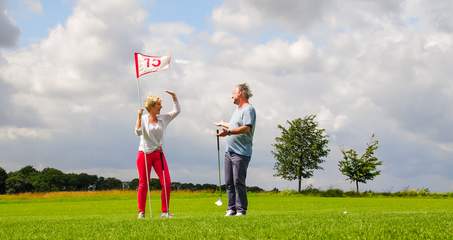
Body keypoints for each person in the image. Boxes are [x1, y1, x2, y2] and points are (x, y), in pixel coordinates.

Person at [135, 90, 180, 219]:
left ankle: (165, 212)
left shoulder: (163, 118)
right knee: (143, 183)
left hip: (158, 154)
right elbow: (138, 132)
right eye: (159, 105)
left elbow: (176, 111)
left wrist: (174, 97)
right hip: (144, 154)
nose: (161, 107)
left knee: (166, 182)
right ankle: (141, 212)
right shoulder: (143, 118)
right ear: (152, 107)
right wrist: (138, 116)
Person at [216, 83, 256, 216]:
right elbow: (234, 125)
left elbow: (246, 128)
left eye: (234, 92)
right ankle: (231, 209)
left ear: (241, 93)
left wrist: (228, 132)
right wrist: (224, 124)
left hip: (241, 152)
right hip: (230, 151)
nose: (231, 95)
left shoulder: (248, 109)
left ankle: (241, 210)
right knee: (229, 182)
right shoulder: (237, 110)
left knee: (238, 181)